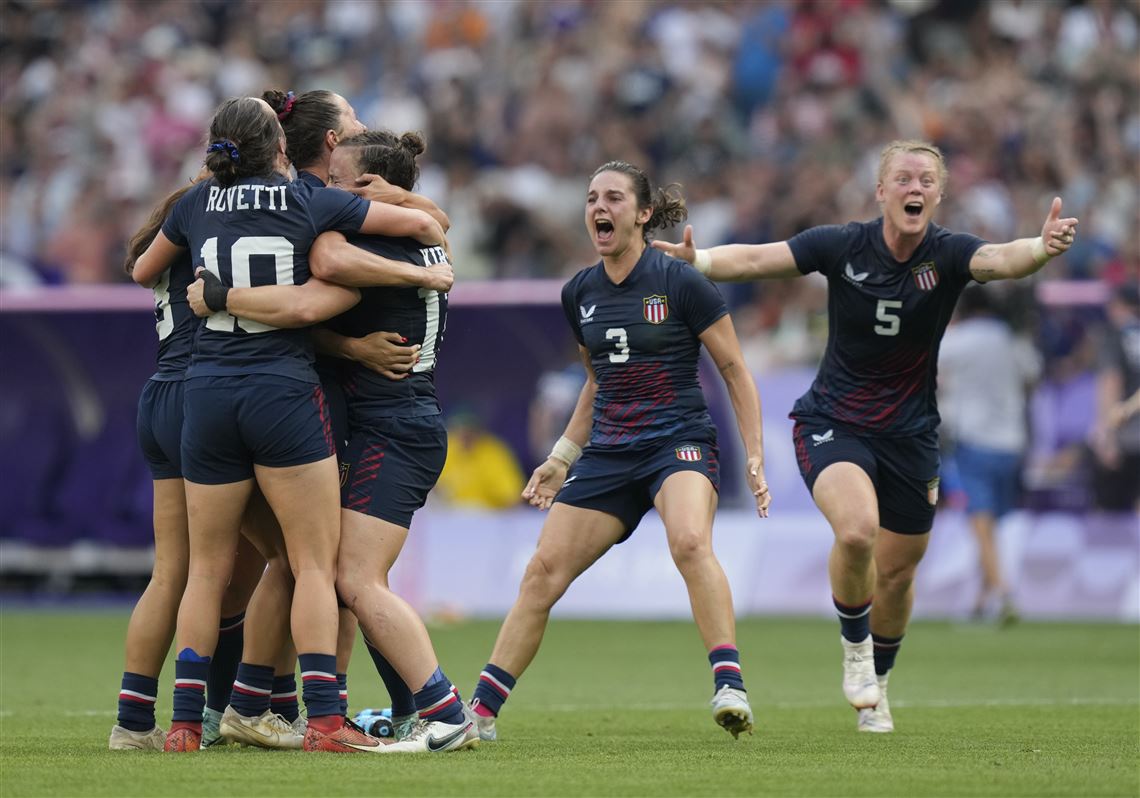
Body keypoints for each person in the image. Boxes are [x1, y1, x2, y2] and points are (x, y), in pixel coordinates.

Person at [653, 139, 1078, 733]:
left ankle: (878, 681)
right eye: (902, 178)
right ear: (880, 191)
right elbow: (755, 261)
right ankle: (855, 650)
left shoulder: (948, 253)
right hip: (834, 421)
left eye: (926, 180)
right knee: (856, 533)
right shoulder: (842, 244)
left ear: (938, 194)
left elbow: (1003, 260)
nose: (915, 188)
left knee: (899, 573)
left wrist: (1041, 246)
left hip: (911, 436)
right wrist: (698, 263)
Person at [131, 95, 446, 753]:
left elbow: (141, 270)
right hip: (281, 393)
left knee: (203, 571)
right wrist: (416, 243)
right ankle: (324, 720)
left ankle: (181, 723)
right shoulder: (309, 202)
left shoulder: (191, 205)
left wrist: (214, 288)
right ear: (283, 147)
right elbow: (415, 234)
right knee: (309, 564)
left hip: (202, 392)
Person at [192, 128, 478, 753]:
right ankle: (259, 706)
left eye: (340, 178)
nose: (328, 187)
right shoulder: (410, 225)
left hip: (394, 424)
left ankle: (443, 710)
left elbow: (326, 266)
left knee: (348, 576)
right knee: (304, 568)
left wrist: (226, 297)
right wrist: (350, 344)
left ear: (372, 187)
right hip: (380, 419)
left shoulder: (372, 235)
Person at [468, 161, 771, 742]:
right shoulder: (578, 292)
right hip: (608, 452)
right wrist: (561, 457)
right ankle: (479, 716)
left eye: (612, 198)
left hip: (677, 441)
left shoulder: (680, 281)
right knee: (540, 575)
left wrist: (754, 454)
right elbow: (596, 382)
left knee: (688, 541)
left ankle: (729, 683)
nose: (598, 208)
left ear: (642, 213)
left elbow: (734, 368)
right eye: (590, 199)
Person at [109, 183, 268, 751]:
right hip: (204, 397)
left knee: (172, 571)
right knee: (298, 559)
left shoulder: (168, 237)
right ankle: (251, 706)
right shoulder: (222, 232)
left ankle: (132, 723)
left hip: (159, 396)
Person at [939, 287, 1039, 623]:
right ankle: (983, 600)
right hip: (1013, 440)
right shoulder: (1013, 341)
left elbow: (928, 372)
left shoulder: (957, 339)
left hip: (974, 438)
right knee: (993, 522)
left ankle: (1003, 590)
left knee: (979, 520)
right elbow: (1032, 377)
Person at [1090, 283, 1140, 511]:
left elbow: (1111, 382)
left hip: (1126, 437)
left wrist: (1107, 435)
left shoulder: (1113, 336)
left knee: (1110, 517)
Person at [435, 406, 527, 510]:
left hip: (488, 519)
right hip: (446, 519)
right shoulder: (443, 449)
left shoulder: (493, 453)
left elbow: (513, 498)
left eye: (469, 429)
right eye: (459, 428)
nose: (464, 433)